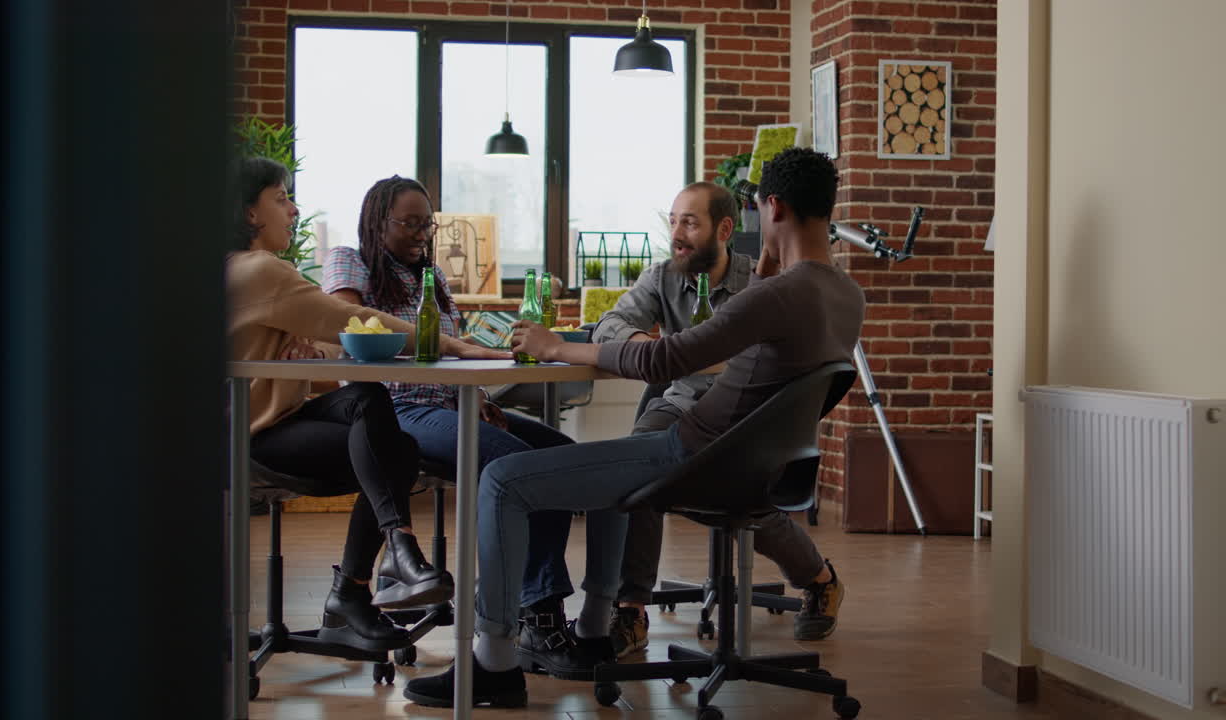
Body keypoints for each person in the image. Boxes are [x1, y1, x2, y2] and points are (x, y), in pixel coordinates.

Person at [403, 148, 864, 708]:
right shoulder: (845, 295)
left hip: (690, 453)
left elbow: (663, 362)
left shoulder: (774, 294)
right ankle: (597, 628)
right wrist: (770, 262)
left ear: (772, 207)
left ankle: (491, 662)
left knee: (502, 480)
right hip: (747, 463)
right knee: (604, 461)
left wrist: (556, 346)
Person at [227, 157, 505, 650]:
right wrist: (450, 343)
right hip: (254, 436)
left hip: (281, 418)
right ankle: (363, 580)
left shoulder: (249, 272)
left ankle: (384, 565)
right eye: (282, 198)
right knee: (393, 446)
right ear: (250, 213)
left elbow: (321, 351)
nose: (294, 210)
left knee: (376, 412)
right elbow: (352, 317)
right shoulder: (259, 270)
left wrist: (312, 353)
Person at [322, 176, 583, 677]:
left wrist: (479, 394)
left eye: (428, 223)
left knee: (562, 457)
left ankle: (535, 612)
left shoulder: (432, 276)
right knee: (520, 468)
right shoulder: (347, 260)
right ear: (378, 222)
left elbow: (451, 349)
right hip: (392, 411)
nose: (422, 234)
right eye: (410, 223)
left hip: (449, 404)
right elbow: (352, 327)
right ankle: (526, 617)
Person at [594, 181, 845, 656]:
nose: (677, 234)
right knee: (636, 463)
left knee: (746, 491)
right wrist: (649, 346)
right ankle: (631, 609)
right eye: (673, 221)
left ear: (725, 228)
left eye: (689, 222)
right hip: (683, 405)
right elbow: (610, 323)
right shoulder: (662, 277)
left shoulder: (764, 281)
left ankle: (820, 578)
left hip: (751, 414)